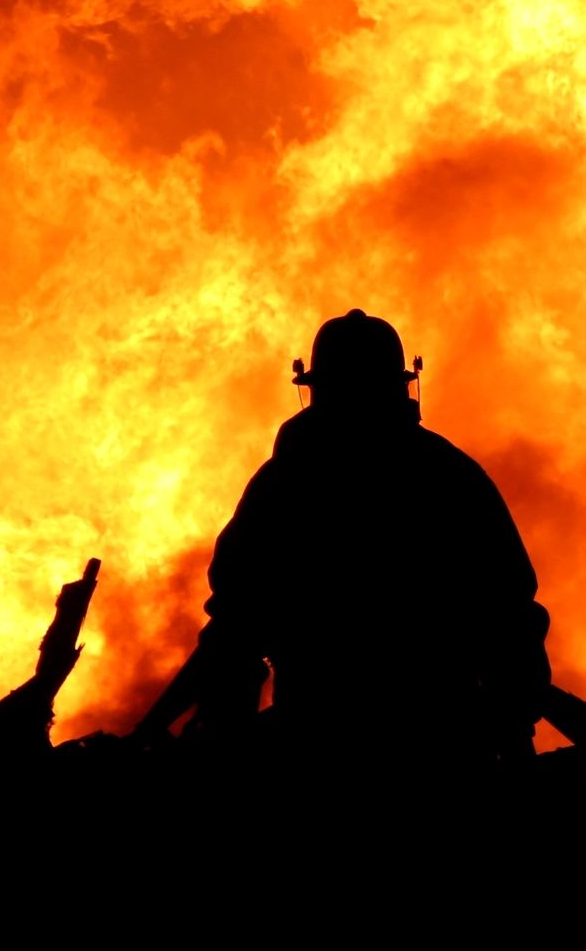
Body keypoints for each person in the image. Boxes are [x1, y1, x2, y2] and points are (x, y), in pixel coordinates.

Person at [152, 309, 552, 772]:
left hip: (317, 740)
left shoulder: (283, 486)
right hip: (442, 743)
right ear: (402, 385)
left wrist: (221, 729)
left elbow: (236, 625)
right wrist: (511, 725)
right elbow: (511, 612)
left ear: (316, 389)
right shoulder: (452, 476)